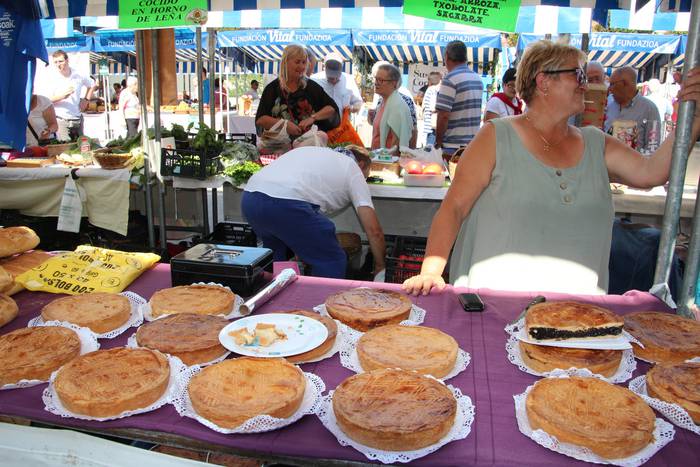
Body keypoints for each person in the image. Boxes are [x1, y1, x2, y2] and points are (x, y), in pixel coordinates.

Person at [402, 40, 700, 296]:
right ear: (543, 81)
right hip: (493, 306)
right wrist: (431, 272)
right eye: (578, 74)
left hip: (575, 314)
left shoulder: (596, 144)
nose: (586, 83)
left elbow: (651, 172)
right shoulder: (495, 137)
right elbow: (453, 208)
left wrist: (694, 118)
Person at [241, 146, 386, 279]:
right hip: (286, 204)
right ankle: (320, 299)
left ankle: (272, 297)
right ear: (361, 165)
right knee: (331, 260)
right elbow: (374, 231)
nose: (363, 180)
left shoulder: (315, 152)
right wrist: (380, 266)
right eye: (365, 177)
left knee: (275, 262)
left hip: (250, 198)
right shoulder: (352, 168)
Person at [255, 44, 339, 139]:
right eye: (297, 62)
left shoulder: (311, 87)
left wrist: (313, 118)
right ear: (285, 62)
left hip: (308, 144)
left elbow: (332, 108)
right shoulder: (272, 89)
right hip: (279, 145)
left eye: (304, 62)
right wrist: (284, 125)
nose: (302, 66)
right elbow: (260, 119)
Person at [434, 41, 484, 157]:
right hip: (472, 145)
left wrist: (438, 142)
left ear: (447, 56)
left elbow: (443, 115)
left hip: (452, 146)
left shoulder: (450, 79)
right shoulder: (477, 78)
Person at [38, 50, 95, 141]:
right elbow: (45, 100)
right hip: (60, 119)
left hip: (77, 118)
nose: (58, 64)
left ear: (67, 60)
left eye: (60, 61)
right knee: (65, 147)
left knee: (81, 146)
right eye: (55, 62)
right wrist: (62, 96)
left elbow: (92, 84)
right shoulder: (50, 77)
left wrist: (86, 100)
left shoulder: (78, 74)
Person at [311, 53, 364, 146]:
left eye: (336, 75)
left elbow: (358, 102)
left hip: (342, 131)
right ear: (324, 67)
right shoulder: (314, 80)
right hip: (320, 130)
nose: (334, 79)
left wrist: (352, 108)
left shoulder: (349, 80)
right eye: (331, 76)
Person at [605, 66, 661, 153]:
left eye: (612, 84)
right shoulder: (608, 103)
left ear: (624, 84)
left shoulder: (649, 109)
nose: (609, 89)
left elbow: (652, 147)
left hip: (633, 161)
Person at [369, 60, 418, 146]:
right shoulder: (382, 102)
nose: (376, 83)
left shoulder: (397, 106)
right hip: (378, 153)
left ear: (394, 83)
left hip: (388, 155)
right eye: (376, 79)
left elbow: (397, 145)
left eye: (381, 80)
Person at [421, 72, 442, 147]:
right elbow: (433, 107)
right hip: (432, 127)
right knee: (431, 149)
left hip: (429, 126)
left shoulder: (430, 89)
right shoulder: (433, 90)